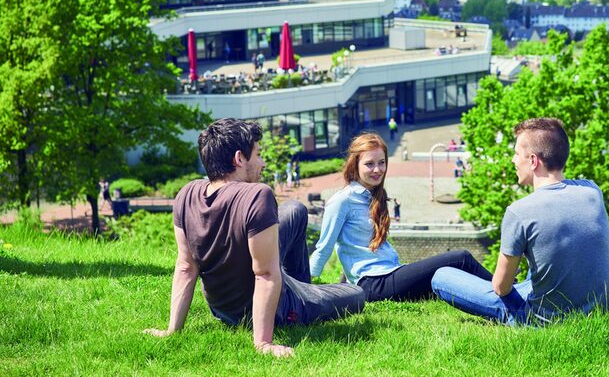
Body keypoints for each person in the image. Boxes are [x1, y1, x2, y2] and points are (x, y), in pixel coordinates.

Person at [145, 118, 364, 357]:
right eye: (258, 154)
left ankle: (302, 287)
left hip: (222, 308)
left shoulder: (187, 193)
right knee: (357, 294)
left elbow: (186, 267)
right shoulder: (257, 195)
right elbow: (265, 274)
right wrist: (263, 343)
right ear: (239, 159)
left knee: (295, 210)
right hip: (265, 308)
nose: (263, 162)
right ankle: (298, 305)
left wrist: (172, 330)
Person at [432, 117, 609, 325]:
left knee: (442, 276)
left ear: (534, 161)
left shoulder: (520, 212)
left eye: (517, 154)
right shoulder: (592, 190)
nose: (513, 160)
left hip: (543, 320)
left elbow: (501, 288)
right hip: (600, 312)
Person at [309, 132, 492, 302]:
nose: (377, 169)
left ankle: (497, 301)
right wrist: (305, 286)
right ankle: (511, 293)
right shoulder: (342, 201)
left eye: (381, 162)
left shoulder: (376, 195)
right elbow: (324, 247)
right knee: (461, 258)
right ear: (355, 165)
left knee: (448, 278)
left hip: (391, 272)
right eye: (369, 164)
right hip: (374, 283)